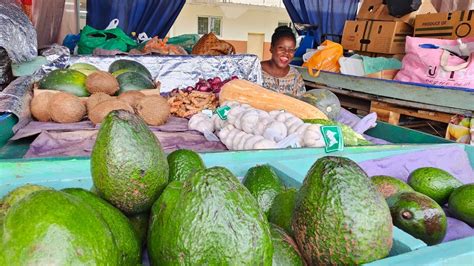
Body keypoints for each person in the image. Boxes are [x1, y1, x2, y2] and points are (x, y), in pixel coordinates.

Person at [261, 26, 306, 96]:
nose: (286, 53)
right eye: (281, 48)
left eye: (291, 50)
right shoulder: (256, 71)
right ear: (271, 48)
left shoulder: (295, 76)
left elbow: (301, 102)